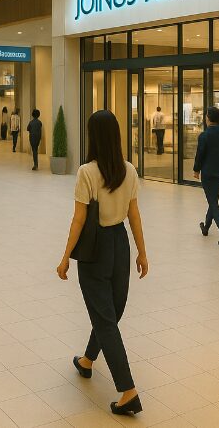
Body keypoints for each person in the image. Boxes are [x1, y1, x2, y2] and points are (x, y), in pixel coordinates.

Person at [57, 109, 148, 416]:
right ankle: (87, 361)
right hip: (120, 245)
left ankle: (128, 391)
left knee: (106, 317)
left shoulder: (87, 172)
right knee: (111, 312)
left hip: (95, 250)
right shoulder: (129, 170)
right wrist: (141, 251)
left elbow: (79, 219)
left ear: (93, 137)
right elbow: (134, 215)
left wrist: (65, 258)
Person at [193, 106, 219, 247]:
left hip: (207, 171)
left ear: (209, 118)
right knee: (214, 200)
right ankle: (206, 227)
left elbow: (200, 154)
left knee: (212, 201)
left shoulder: (204, 136)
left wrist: (196, 170)